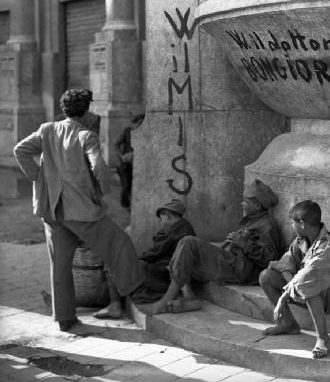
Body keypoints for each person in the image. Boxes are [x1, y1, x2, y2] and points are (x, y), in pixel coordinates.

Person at [13, 88, 145, 333]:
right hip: (81, 211)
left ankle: (65, 318)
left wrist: (39, 179)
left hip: (52, 211)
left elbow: (19, 150)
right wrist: (101, 192)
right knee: (120, 244)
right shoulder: (86, 135)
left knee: (60, 265)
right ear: (85, 110)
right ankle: (139, 294)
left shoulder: (47, 129)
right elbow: (99, 167)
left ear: (65, 109)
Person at [149, 180, 283, 314]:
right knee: (183, 247)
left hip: (240, 270)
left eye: (245, 202)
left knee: (189, 242)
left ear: (258, 206)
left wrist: (243, 243)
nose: (242, 204)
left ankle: (167, 299)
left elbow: (269, 259)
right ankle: (190, 297)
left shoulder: (267, 225)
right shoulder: (253, 220)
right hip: (233, 261)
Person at [259, 200, 330, 359]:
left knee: (308, 287)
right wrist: (289, 279)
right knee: (266, 276)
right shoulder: (300, 241)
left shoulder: (326, 248)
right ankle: (288, 324)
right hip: (308, 287)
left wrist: (283, 299)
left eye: (292, 222)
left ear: (302, 224)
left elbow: (307, 279)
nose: (291, 225)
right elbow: (284, 264)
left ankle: (324, 339)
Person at [95, 199, 196, 317]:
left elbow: (155, 253)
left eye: (161, 218)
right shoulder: (186, 226)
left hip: (164, 274)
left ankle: (115, 304)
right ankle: (116, 302)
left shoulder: (174, 229)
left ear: (166, 215)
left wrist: (137, 259)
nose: (161, 222)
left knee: (112, 262)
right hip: (170, 272)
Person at [114, 113, 144, 209]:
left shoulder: (144, 133)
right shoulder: (127, 131)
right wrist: (121, 156)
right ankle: (126, 204)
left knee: (136, 186)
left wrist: (135, 154)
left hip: (138, 163)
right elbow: (116, 145)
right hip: (125, 164)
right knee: (126, 185)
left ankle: (132, 206)